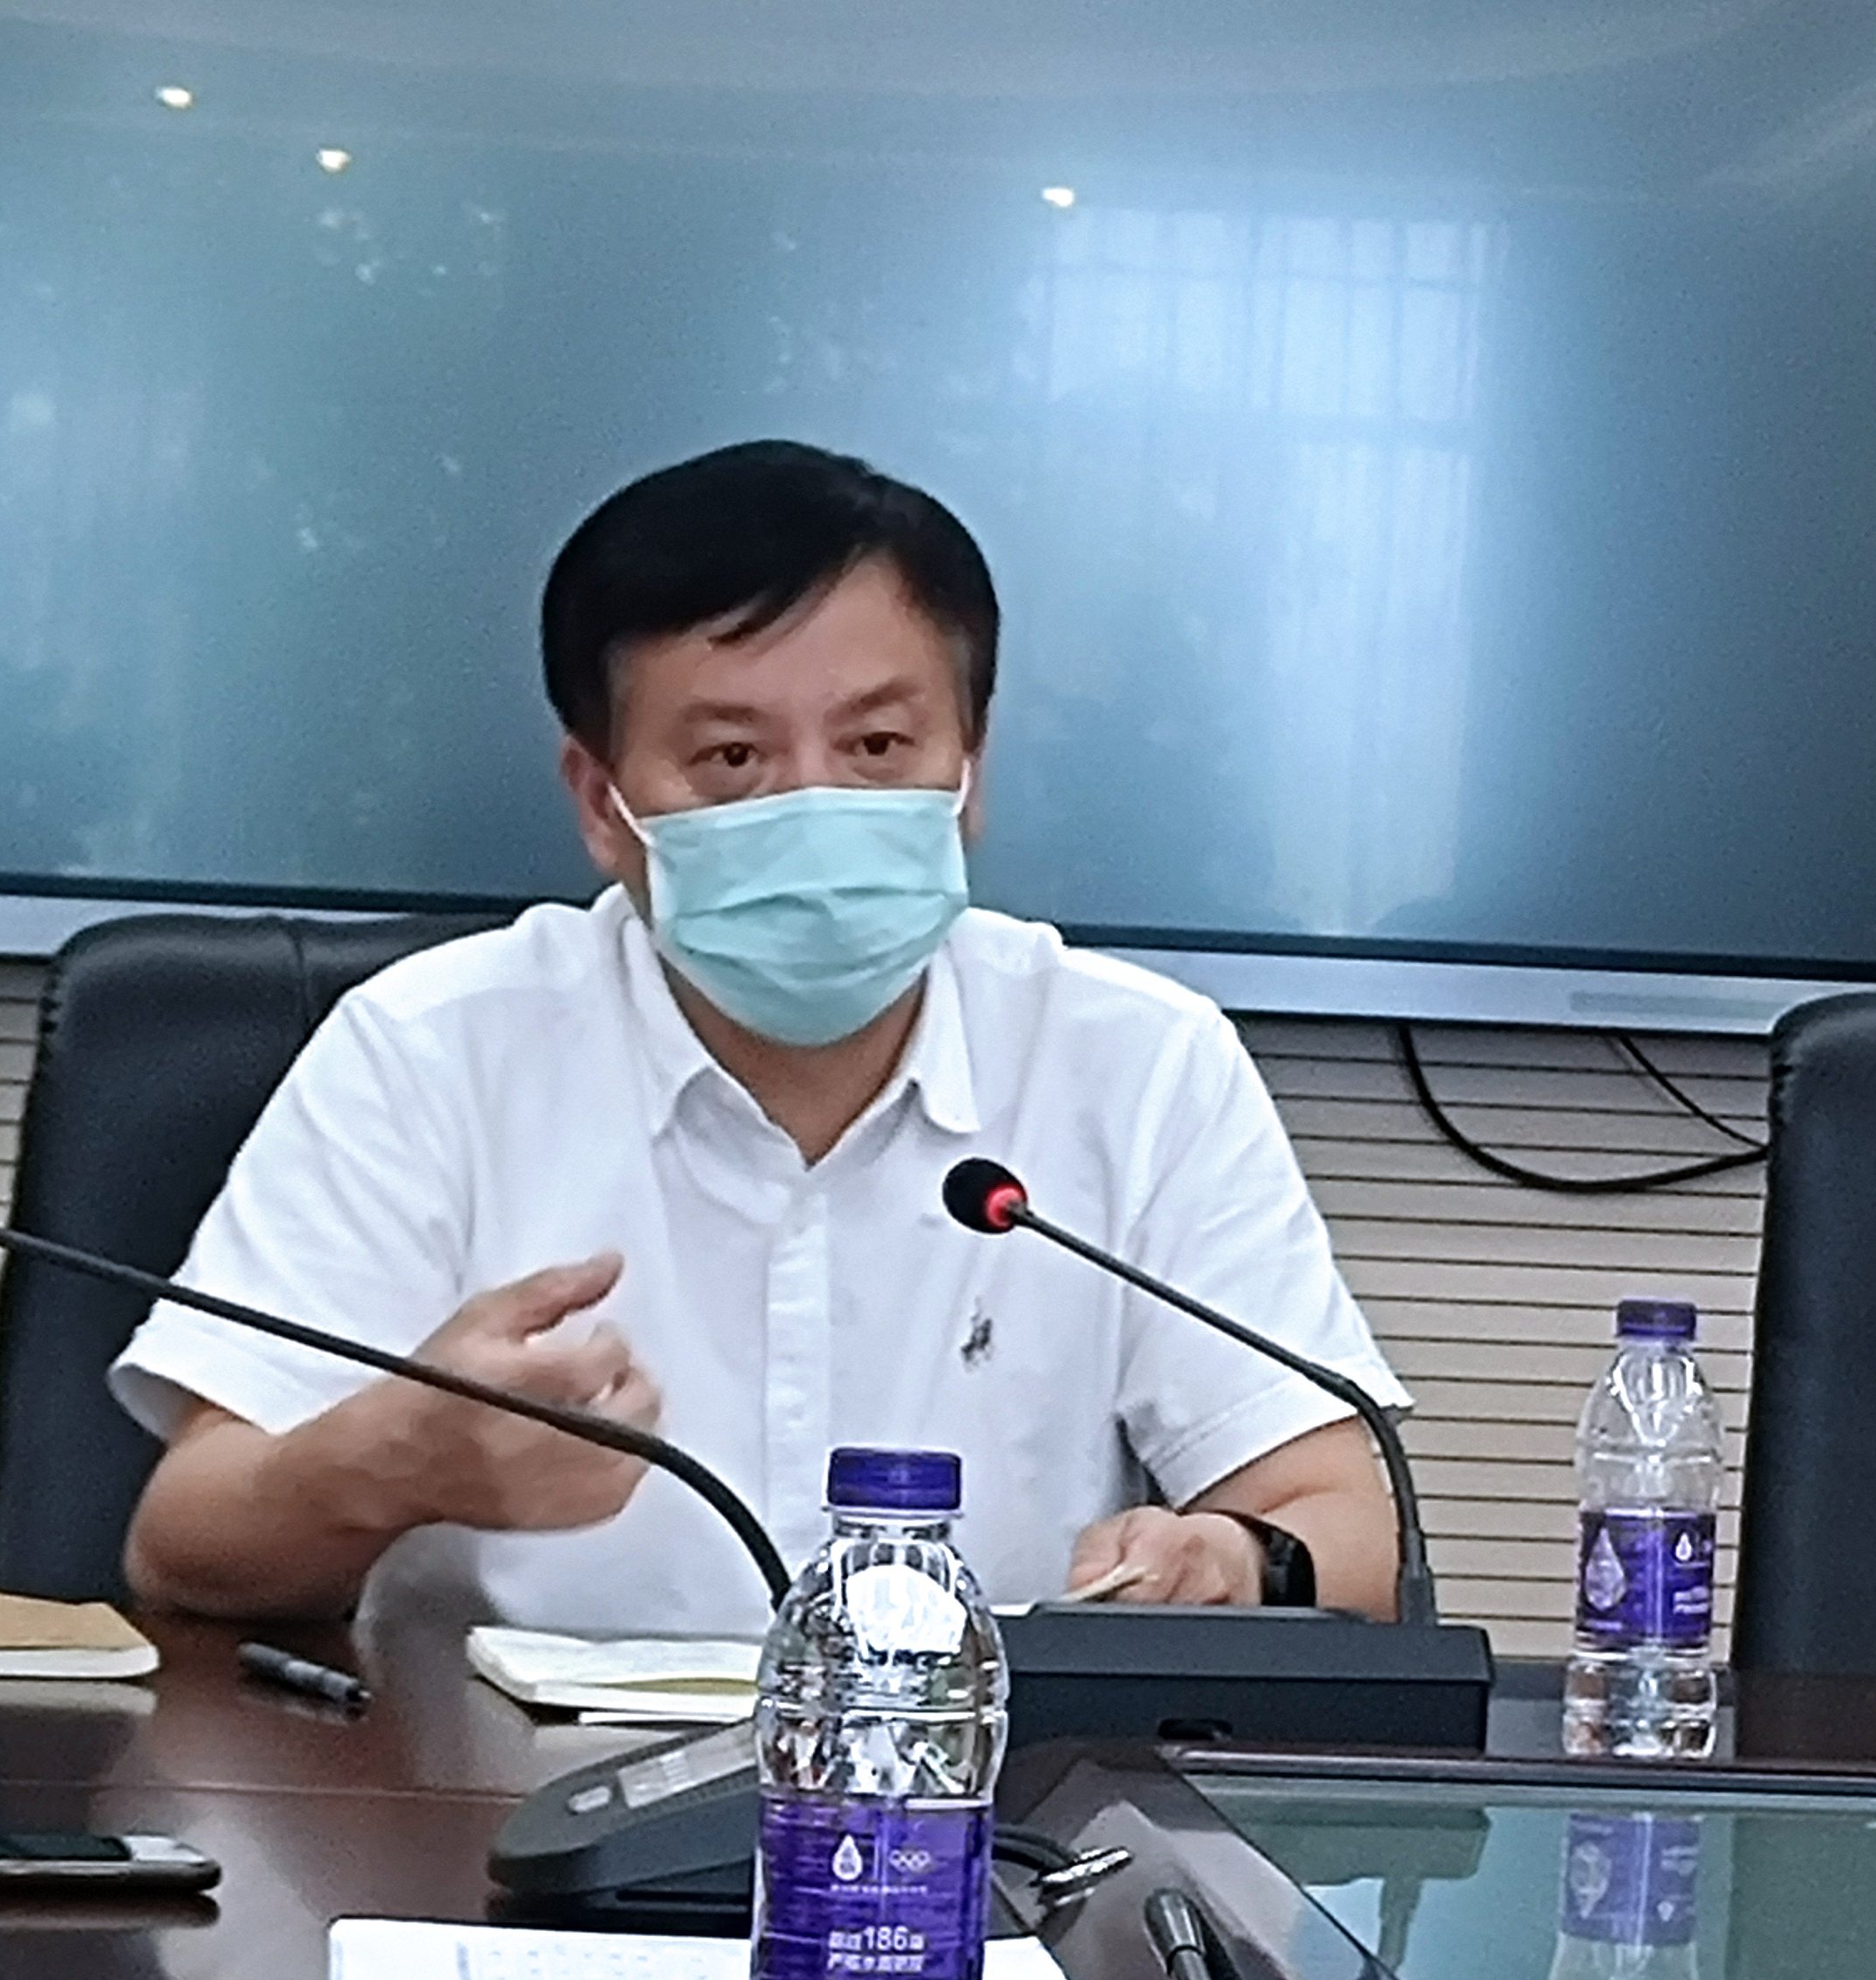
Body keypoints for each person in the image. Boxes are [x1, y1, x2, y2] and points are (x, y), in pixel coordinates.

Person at [117, 439, 1401, 1635]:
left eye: (879, 744)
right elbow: (183, 1545)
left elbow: (1349, 1525)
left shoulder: (1138, 1064)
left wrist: (1237, 1559)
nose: (815, 805)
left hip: (984, 1789)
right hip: (492, 1788)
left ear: (970, 770)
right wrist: (388, 1464)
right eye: (733, 759)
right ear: (603, 804)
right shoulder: (430, 1051)